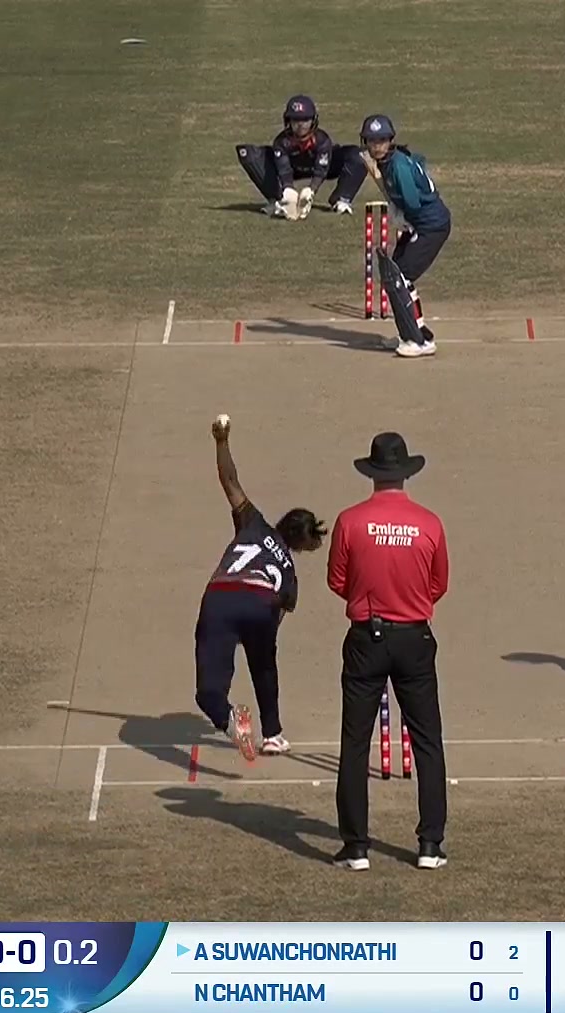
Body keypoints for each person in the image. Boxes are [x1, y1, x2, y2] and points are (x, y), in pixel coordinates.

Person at [326, 432, 450, 870]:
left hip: (367, 637)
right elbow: (438, 585)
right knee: (427, 741)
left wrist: (369, 596)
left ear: (373, 473)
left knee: (355, 741)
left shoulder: (350, 521)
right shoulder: (429, 523)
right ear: (405, 474)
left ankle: (356, 847)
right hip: (414, 637)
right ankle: (430, 844)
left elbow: (337, 580)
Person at [195, 415, 328, 759]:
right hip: (260, 603)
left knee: (208, 692)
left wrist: (221, 441)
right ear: (301, 545)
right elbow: (271, 632)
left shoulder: (253, 522)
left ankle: (228, 718)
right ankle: (273, 735)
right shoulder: (289, 574)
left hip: (218, 598)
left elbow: (229, 481)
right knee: (264, 663)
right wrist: (251, 634)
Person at [358, 114, 451, 358]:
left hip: (430, 226)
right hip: (419, 223)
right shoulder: (390, 161)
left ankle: (416, 341)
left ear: (390, 140)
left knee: (400, 277)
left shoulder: (397, 165)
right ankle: (417, 333)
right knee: (394, 275)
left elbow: (412, 202)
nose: (376, 146)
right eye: (371, 141)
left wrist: (402, 218)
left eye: (381, 140)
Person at [234, 95, 369, 219]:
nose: (301, 125)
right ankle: (278, 200)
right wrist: (288, 190)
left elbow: (321, 170)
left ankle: (342, 200)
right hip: (294, 167)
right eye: (296, 120)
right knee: (248, 153)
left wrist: (311, 190)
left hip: (325, 167)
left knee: (359, 155)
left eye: (305, 119)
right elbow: (284, 169)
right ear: (288, 121)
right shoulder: (281, 142)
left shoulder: (322, 140)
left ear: (313, 120)